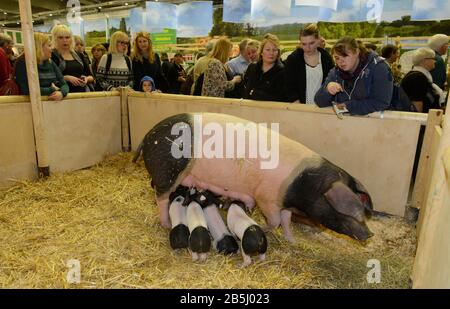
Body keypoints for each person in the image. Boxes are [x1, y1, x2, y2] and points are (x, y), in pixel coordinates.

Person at [315, 37, 393, 115]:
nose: (340, 62)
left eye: (345, 56)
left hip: (378, 123)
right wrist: (327, 90)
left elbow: (382, 102)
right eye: (337, 58)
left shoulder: (379, 67)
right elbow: (319, 101)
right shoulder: (335, 72)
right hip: (346, 124)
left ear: (357, 52)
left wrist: (349, 106)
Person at [285, 24, 334, 104]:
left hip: (323, 107)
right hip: (300, 108)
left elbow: (331, 82)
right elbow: (289, 87)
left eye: (311, 43)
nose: (308, 48)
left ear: (318, 40)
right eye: (304, 44)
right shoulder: (293, 59)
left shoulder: (326, 57)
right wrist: (299, 107)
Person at [15, 32, 69, 100]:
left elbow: (64, 84)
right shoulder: (22, 63)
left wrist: (62, 93)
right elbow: (27, 90)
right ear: (39, 47)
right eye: (49, 45)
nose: (51, 49)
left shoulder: (50, 62)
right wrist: (52, 89)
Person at [243, 33, 286, 102]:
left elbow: (281, 98)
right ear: (261, 52)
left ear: (278, 52)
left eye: (274, 50)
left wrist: (256, 93)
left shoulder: (283, 72)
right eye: (268, 50)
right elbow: (246, 91)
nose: (271, 53)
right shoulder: (252, 68)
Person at [50, 25, 94, 93]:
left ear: (71, 39)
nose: (65, 40)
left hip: (83, 93)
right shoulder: (51, 56)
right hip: (61, 95)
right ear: (55, 39)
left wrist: (86, 79)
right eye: (60, 37)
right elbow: (49, 79)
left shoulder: (79, 55)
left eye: (67, 37)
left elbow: (91, 77)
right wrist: (66, 78)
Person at [401, 47, 445, 113]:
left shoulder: (419, 75)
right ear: (424, 61)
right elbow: (417, 105)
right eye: (433, 58)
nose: (435, 61)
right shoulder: (417, 78)